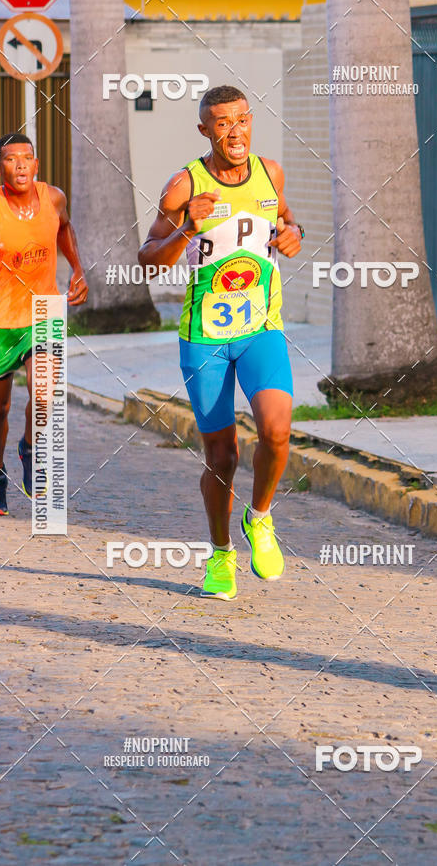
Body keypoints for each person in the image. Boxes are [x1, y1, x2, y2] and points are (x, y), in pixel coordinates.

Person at [139, 85, 303, 600]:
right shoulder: (183, 184)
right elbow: (148, 258)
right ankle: (220, 555)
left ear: (251, 120)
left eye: (241, 120)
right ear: (205, 130)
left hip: (260, 328)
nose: (234, 131)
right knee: (223, 456)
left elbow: (286, 222)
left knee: (277, 432)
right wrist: (187, 227)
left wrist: (294, 233)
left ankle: (259, 518)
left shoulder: (269, 173)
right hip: (204, 337)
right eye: (221, 123)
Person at [0, 132, 88, 515]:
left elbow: (63, 227)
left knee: (45, 394)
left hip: (43, 311)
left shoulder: (54, 198)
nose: (20, 165)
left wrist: (78, 269)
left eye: (27, 158)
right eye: (11, 159)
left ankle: (30, 450)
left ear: (35, 164)